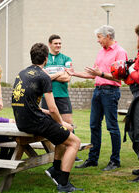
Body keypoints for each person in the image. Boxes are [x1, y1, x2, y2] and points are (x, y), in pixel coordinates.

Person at [85, 22, 139, 182]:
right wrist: (129, 70)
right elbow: (134, 78)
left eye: (137, 36)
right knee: (133, 131)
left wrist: (130, 69)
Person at [12, 43, 83, 192]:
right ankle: (63, 184)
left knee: (63, 135)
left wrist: (48, 115)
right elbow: (53, 108)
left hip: (21, 122)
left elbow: (27, 102)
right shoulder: (44, 76)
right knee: (74, 141)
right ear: (46, 58)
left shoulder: (22, 73)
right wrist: (61, 123)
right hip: (34, 122)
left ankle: (55, 169)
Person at [66, 25, 127, 171]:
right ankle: (93, 159)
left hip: (111, 91)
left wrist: (100, 74)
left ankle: (115, 161)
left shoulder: (120, 52)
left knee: (112, 127)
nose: (98, 40)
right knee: (94, 125)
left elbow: (120, 78)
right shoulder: (101, 52)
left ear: (108, 36)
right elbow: (94, 73)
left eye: (99, 37)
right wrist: (74, 74)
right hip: (98, 91)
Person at [41, 34, 82, 162]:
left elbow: (67, 77)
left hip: (63, 96)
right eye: (55, 43)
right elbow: (42, 77)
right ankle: (51, 150)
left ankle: (72, 153)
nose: (58, 45)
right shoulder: (44, 59)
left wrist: (51, 75)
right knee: (46, 124)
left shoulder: (66, 58)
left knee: (68, 124)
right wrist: (60, 73)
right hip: (48, 96)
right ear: (50, 44)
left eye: (60, 43)